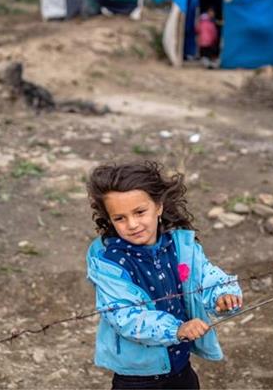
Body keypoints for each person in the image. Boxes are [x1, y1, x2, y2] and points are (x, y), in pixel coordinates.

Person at [85, 161, 243, 389]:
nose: (132, 224)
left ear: (158, 206)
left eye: (140, 212)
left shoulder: (179, 246)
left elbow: (204, 276)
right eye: (120, 218)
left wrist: (223, 294)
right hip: (136, 377)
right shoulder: (108, 261)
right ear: (109, 219)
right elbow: (125, 316)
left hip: (180, 365)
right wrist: (177, 330)